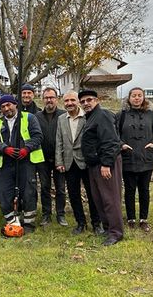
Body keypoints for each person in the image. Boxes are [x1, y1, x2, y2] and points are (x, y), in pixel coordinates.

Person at [0, 94, 44, 234]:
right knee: (3, 192)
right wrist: (5, 149)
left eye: (8, 105)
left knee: (28, 191)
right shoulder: (0, 122)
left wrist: (26, 148)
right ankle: (12, 221)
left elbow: (38, 136)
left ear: (15, 104)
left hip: (25, 160)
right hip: (7, 161)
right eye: (3, 107)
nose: (6, 108)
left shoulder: (29, 118)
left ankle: (28, 223)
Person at [79, 89, 123, 246]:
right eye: (83, 101)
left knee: (110, 198)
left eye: (89, 100)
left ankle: (116, 232)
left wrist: (106, 164)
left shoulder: (102, 115)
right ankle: (107, 227)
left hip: (105, 163)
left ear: (96, 100)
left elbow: (110, 141)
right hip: (94, 164)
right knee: (99, 198)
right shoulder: (90, 117)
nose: (86, 103)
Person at [116, 87, 153, 232]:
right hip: (128, 157)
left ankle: (143, 219)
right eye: (134, 96)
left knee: (144, 189)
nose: (136, 98)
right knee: (130, 189)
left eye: (139, 95)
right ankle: (130, 218)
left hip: (146, 157)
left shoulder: (150, 114)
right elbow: (114, 133)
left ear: (143, 98)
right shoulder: (121, 115)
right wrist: (121, 144)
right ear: (129, 98)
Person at [55, 91, 102, 235]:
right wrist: (59, 161)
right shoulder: (62, 119)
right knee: (74, 194)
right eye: (66, 101)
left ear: (78, 102)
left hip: (87, 162)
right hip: (69, 162)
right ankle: (80, 223)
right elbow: (59, 141)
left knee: (92, 194)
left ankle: (96, 223)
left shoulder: (88, 117)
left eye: (72, 100)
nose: (69, 103)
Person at [35, 88, 68, 226]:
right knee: (44, 187)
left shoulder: (63, 115)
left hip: (59, 158)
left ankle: (61, 215)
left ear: (57, 99)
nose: (49, 100)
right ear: (43, 99)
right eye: (47, 97)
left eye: (52, 97)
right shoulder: (36, 116)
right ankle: (46, 215)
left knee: (60, 188)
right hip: (43, 158)